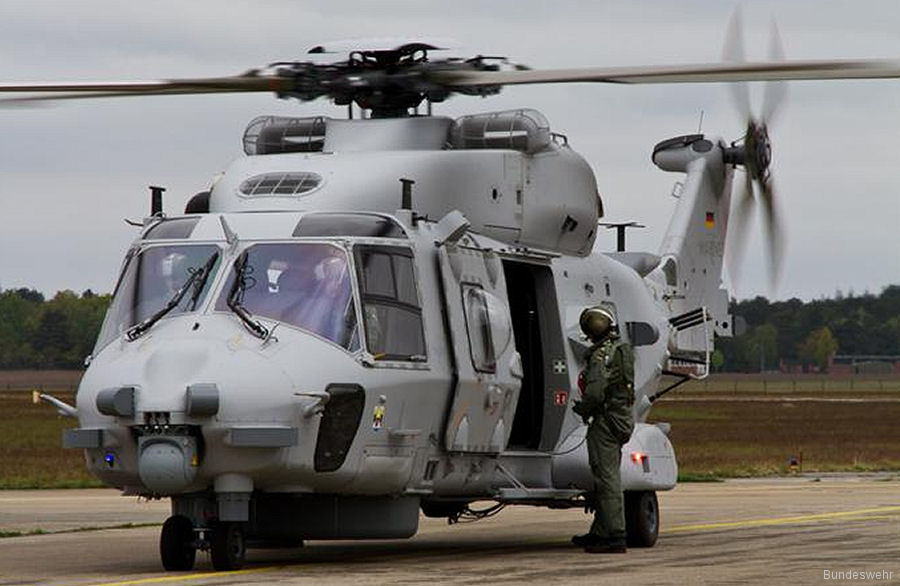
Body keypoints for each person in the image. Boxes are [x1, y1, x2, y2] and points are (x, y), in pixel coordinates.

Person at [571, 306, 635, 554]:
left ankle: (615, 535)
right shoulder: (620, 349)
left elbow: (596, 392)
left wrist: (583, 409)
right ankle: (600, 532)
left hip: (606, 421)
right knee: (607, 475)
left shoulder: (600, 355)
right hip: (619, 418)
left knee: (606, 478)